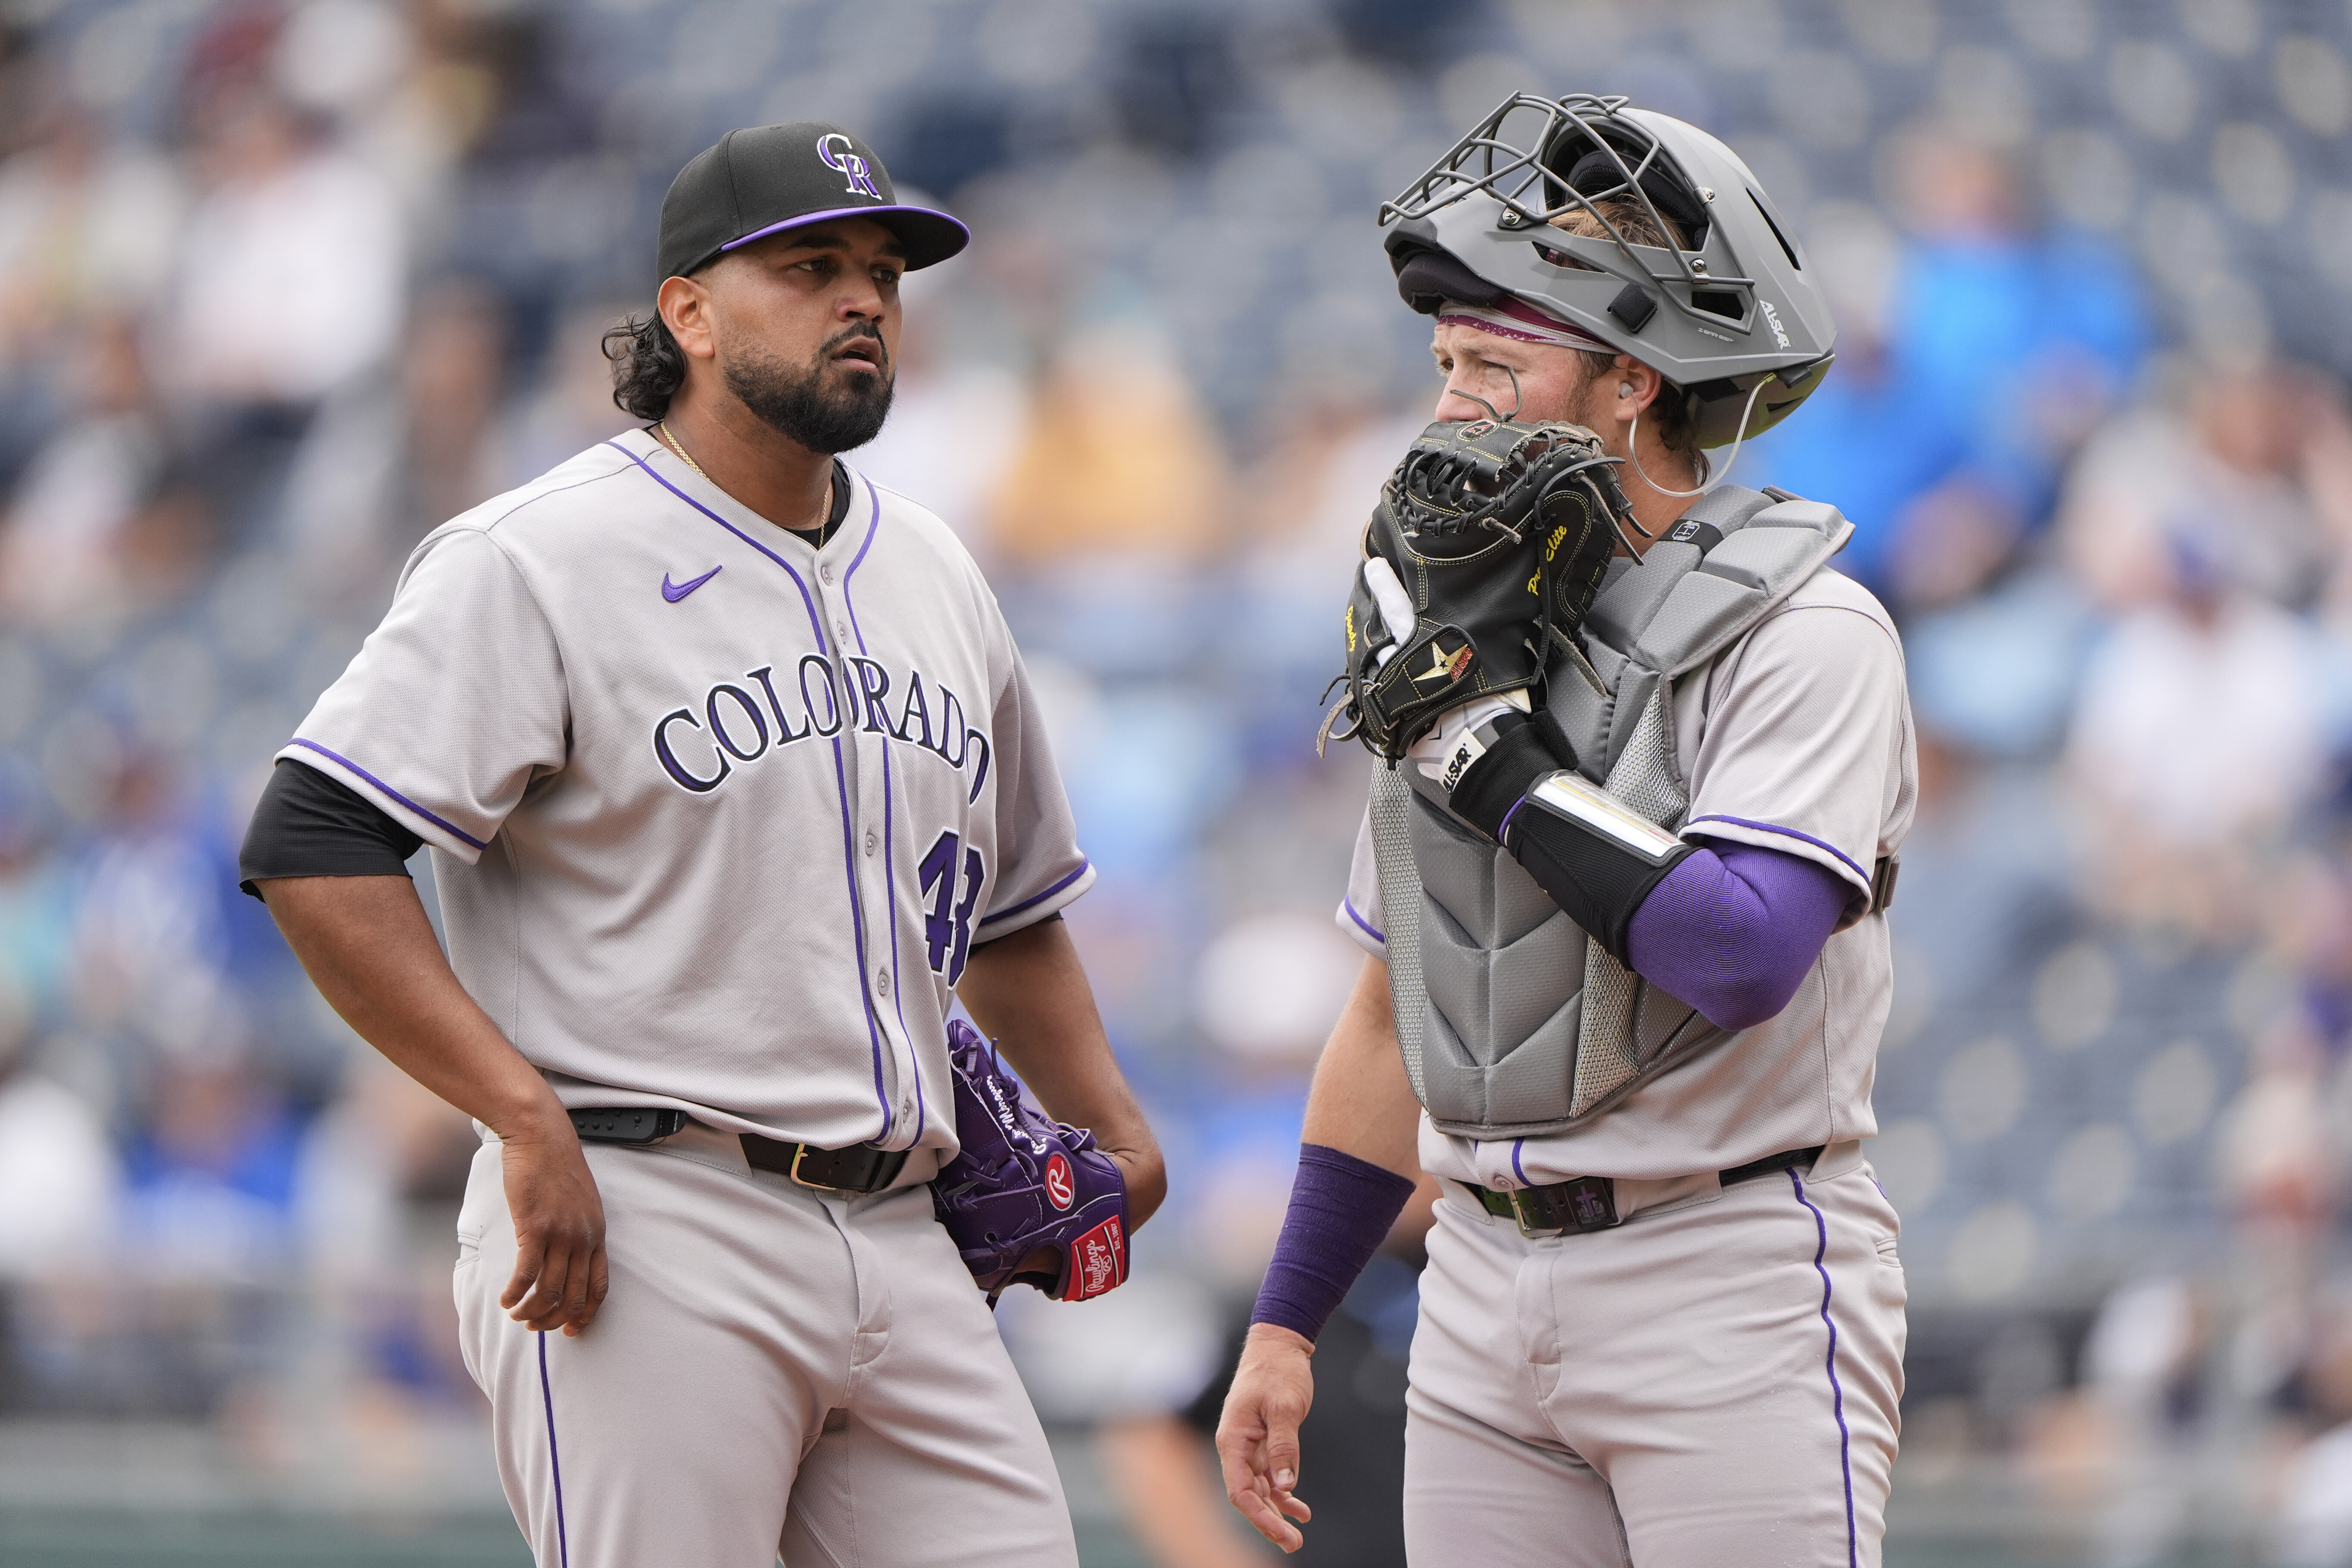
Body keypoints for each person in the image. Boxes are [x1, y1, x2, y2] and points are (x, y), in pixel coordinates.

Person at [238, 121, 1164, 1568]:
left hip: (911, 1234)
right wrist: (518, 1112)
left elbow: (1013, 907)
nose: (864, 299)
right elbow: (312, 840)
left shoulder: (936, 572)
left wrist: (1104, 1111)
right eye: (810, 269)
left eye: (882, 272)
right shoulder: (533, 557)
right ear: (690, 313)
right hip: (641, 1214)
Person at [1216, 93, 1915, 1566]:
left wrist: (1487, 756)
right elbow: (1392, 1010)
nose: (1452, 403)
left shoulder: (1808, 630)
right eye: (1445, 362)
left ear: (1632, 383)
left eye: (1496, 362)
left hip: (1725, 1264)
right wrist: (1288, 1320)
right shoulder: (1467, 634)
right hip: (1477, 1277)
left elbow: (1738, 951)